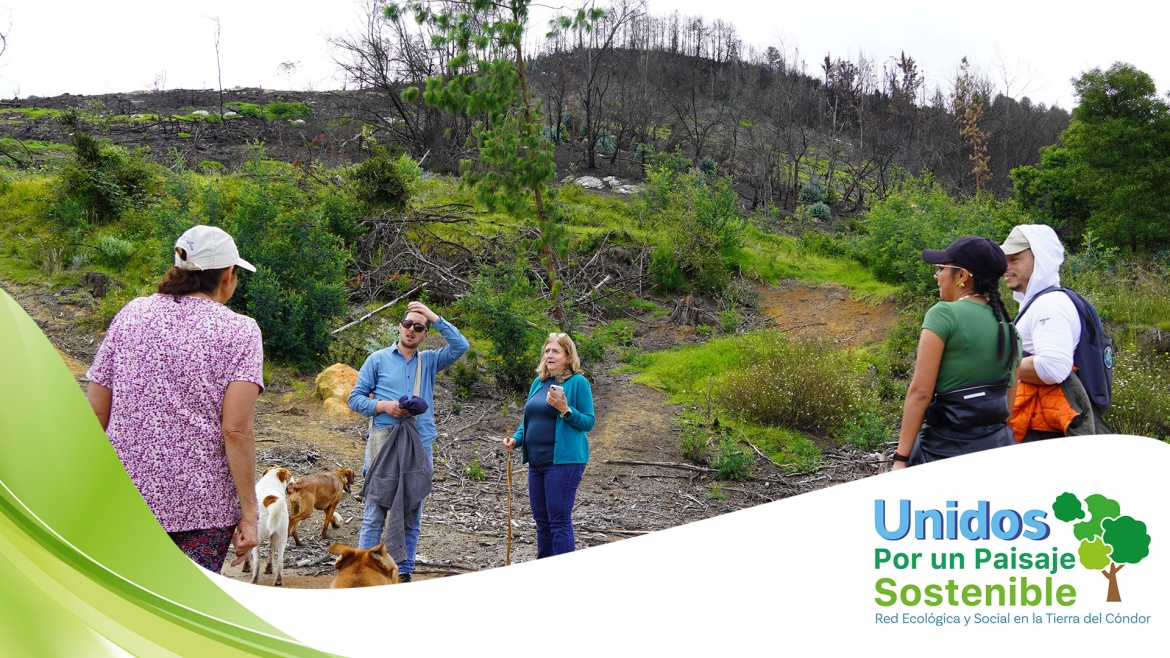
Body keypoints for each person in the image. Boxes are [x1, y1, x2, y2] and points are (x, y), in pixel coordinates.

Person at [85, 225, 263, 572]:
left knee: (126, 605)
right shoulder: (241, 331)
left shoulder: (131, 315)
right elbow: (237, 431)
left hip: (126, 499)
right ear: (227, 275)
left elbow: (95, 412)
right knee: (183, 613)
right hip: (203, 508)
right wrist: (249, 515)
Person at [348, 301, 467, 582]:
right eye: (407, 324)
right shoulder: (377, 359)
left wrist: (434, 316)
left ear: (425, 334)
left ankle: (403, 572)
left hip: (419, 444)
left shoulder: (430, 361)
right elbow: (355, 399)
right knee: (374, 512)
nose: (411, 330)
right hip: (383, 442)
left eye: (419, 327)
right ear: (399, 327)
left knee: (411, 513)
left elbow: (460, 346)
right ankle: (366, 574)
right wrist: (385, 407)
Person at [891, 236, 1020, 470]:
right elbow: (1008, 409)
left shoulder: (943, 315)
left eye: (942, 268)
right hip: (998, 453)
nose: (936, 275)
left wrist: (901, 458)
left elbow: (920, 393)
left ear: (962, 275)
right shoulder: (1009, 329)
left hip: (942, 452)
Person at [1000, 224, 1099, 441]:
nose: (1006, 267)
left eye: (1015, 259)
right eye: (1005, 259)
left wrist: (994, 365)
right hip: (1040, 423)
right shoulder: (1038, 302)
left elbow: (1053, 367)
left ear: (1041, 259)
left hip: (1044, 431)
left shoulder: (1050, 305)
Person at [502, 333, 595, 558]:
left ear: (568, 355)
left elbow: (588, 422)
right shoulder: (539, 382)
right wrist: (516, 438)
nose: (550, 355)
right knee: (542, 521)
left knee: (559, 520)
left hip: (564, 462)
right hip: (537, 462)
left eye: (555, 351)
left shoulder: (577, 382)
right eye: (547, 351)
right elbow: (530, 419)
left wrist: (566, 410)